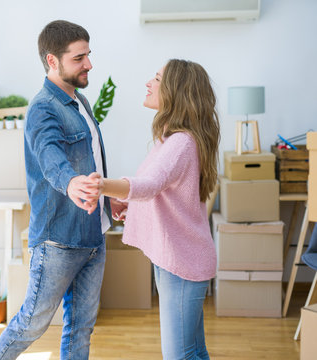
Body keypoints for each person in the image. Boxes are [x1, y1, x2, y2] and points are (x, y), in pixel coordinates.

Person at [0, 20, 111, 360]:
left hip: (93, 235)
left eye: (88, 55)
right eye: (78, 58)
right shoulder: (43, 108)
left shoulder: (81, 103)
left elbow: (93, 162)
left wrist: (109, 203)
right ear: (52, 61)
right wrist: (70, 182)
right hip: (59, 240)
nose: (88, 64)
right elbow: (49, 156)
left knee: (81, 327)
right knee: (33, 322)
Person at [88, 59, 219, 359]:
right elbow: (164, 197)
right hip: (181, 259)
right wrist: (126, 205)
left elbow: (149, 185)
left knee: (180, 355)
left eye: (157, 78)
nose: (149, 82)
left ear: (176, 90)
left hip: (182, 263)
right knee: (194, 352)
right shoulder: (174, 141)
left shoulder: (180, 143)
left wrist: (100, 185)